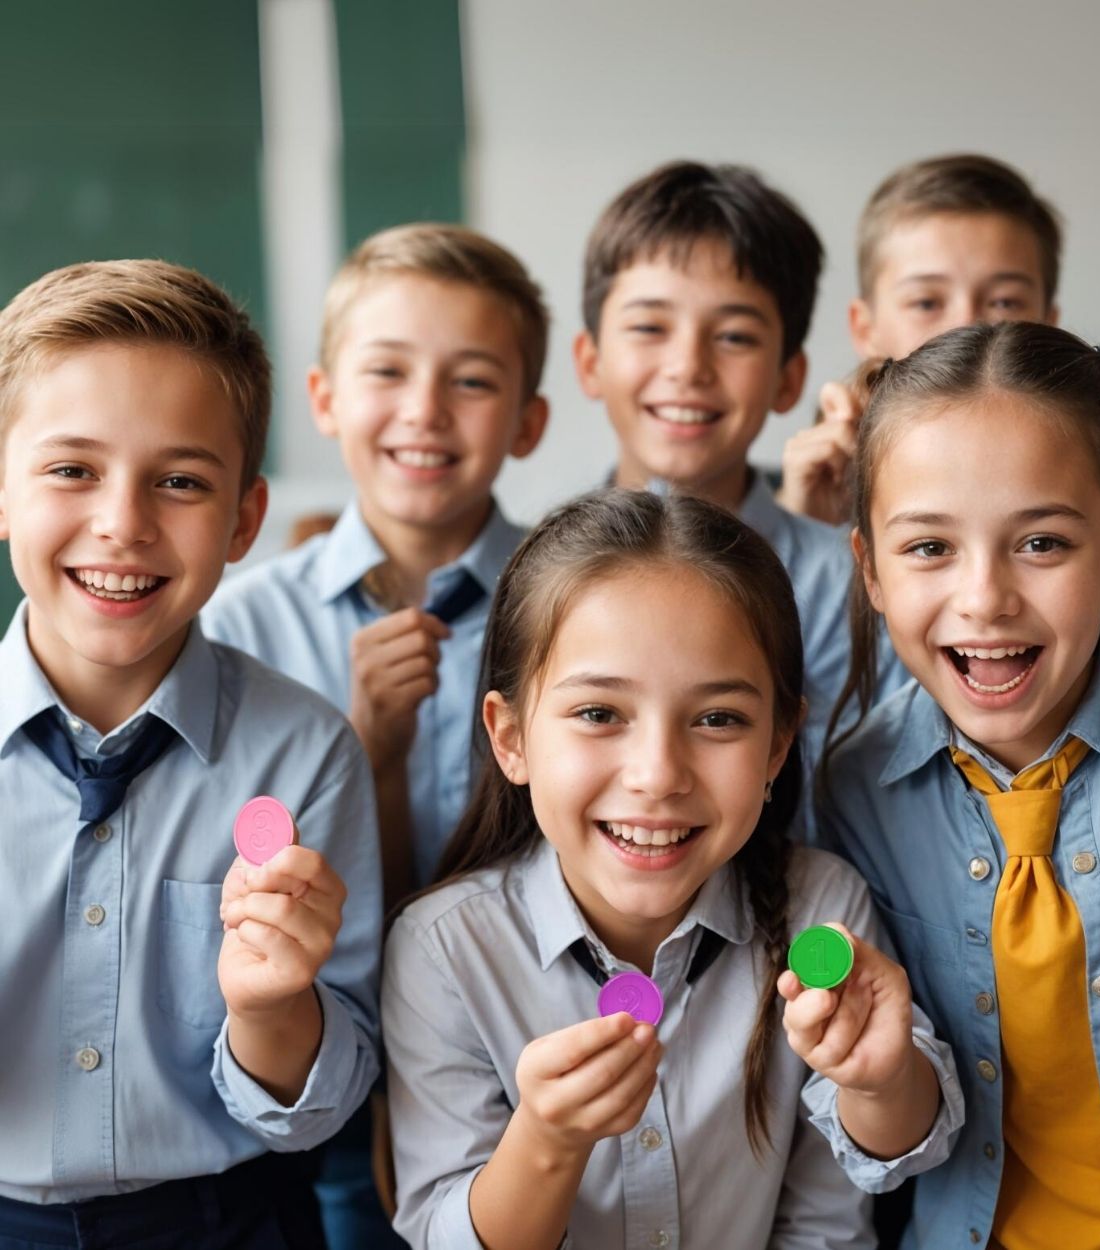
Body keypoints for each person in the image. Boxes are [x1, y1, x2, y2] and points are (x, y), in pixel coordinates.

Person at [384, 490, 963, 1249]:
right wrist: (548, 1144)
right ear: (512, 736)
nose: (657, 775)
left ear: (778, 745)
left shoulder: (821, 906)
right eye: (599, 714)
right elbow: (444, 1234)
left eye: (718, 719)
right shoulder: (444, 949)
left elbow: (837, 1214)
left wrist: (881, 1081)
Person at [819, 320, 1100, 1248]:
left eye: (1042, 544)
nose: (986, 598)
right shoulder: (852, 794)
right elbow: (883, 1149)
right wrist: (871, 1075)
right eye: (930, 548)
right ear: (871, 572)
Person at [0, 260, 381, 1249]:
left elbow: (323, 1098)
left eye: (179, 480)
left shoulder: (303, 752)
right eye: (72, 468)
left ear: (244, 519)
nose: (122, 521)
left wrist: (270, 1001)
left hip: (229, 1222)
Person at [201, 223, 549, 1247]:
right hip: (316, 1085)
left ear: (528, 419)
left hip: (517, 1055)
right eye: (386, 370)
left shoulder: (581, 605)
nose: (424, 411)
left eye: (472, 381)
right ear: (323, 399)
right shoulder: (236, 624)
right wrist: (365, 753)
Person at [573, 160, 904, 806]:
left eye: (734, 336)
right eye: (649, 327)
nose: (688, 367)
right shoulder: (542, 578)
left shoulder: (846, 586)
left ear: (788, 378)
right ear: (591, 361)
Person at [776, 152, 1060, 528]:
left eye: (1004, 302)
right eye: (927, 302)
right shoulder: (818, 495)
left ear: (1049, 324)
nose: (965, 327)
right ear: (865, 328)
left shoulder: (1095, 469)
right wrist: (803, 529)